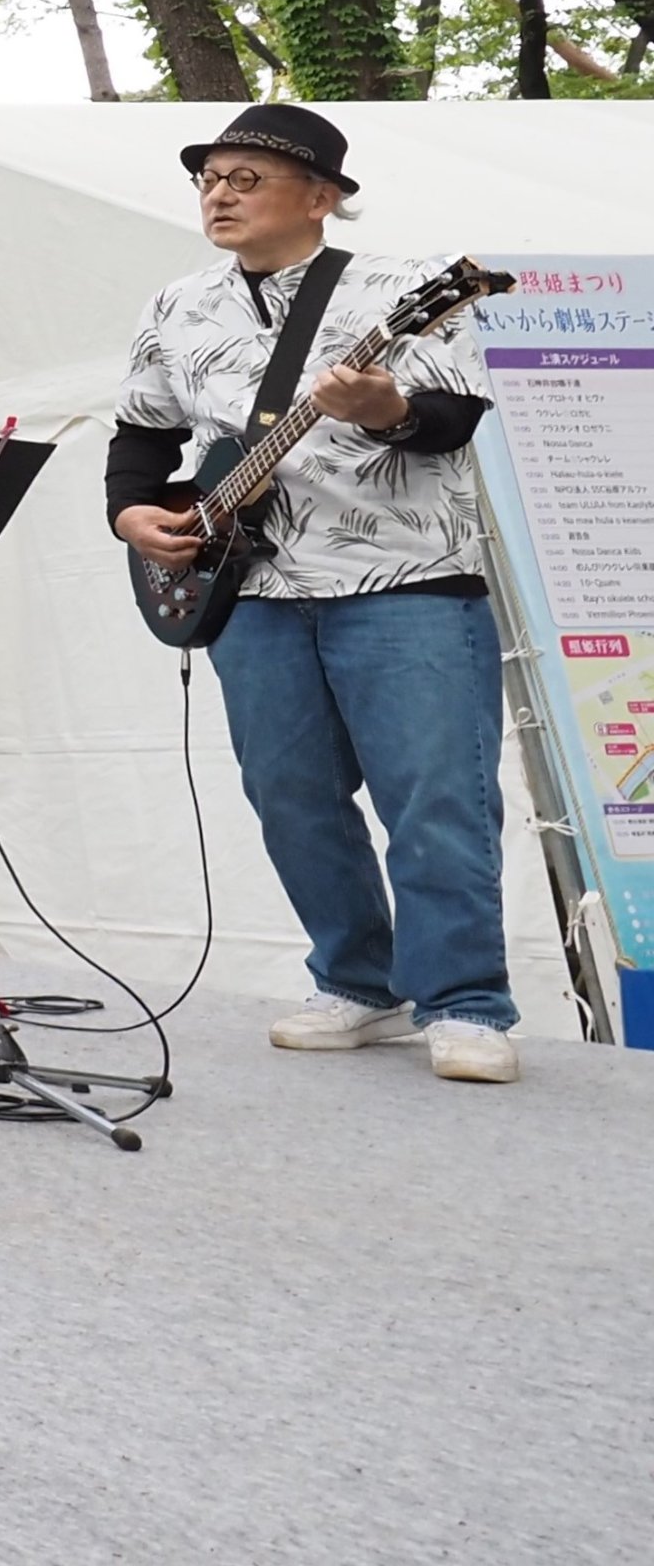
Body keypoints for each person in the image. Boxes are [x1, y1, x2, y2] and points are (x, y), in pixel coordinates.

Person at [112, 105, 515, 1083]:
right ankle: (359, 986)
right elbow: (139, 435)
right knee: (291, 796)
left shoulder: (411, 289)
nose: (218, 192)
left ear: (322, 198)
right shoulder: (175, 307)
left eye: (245, 178)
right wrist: (132, 514)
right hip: (250, 590)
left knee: (433, 796)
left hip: (405, 583)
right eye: (209, 178)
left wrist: (384, 407)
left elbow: (448, 418)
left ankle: (464, 1003)